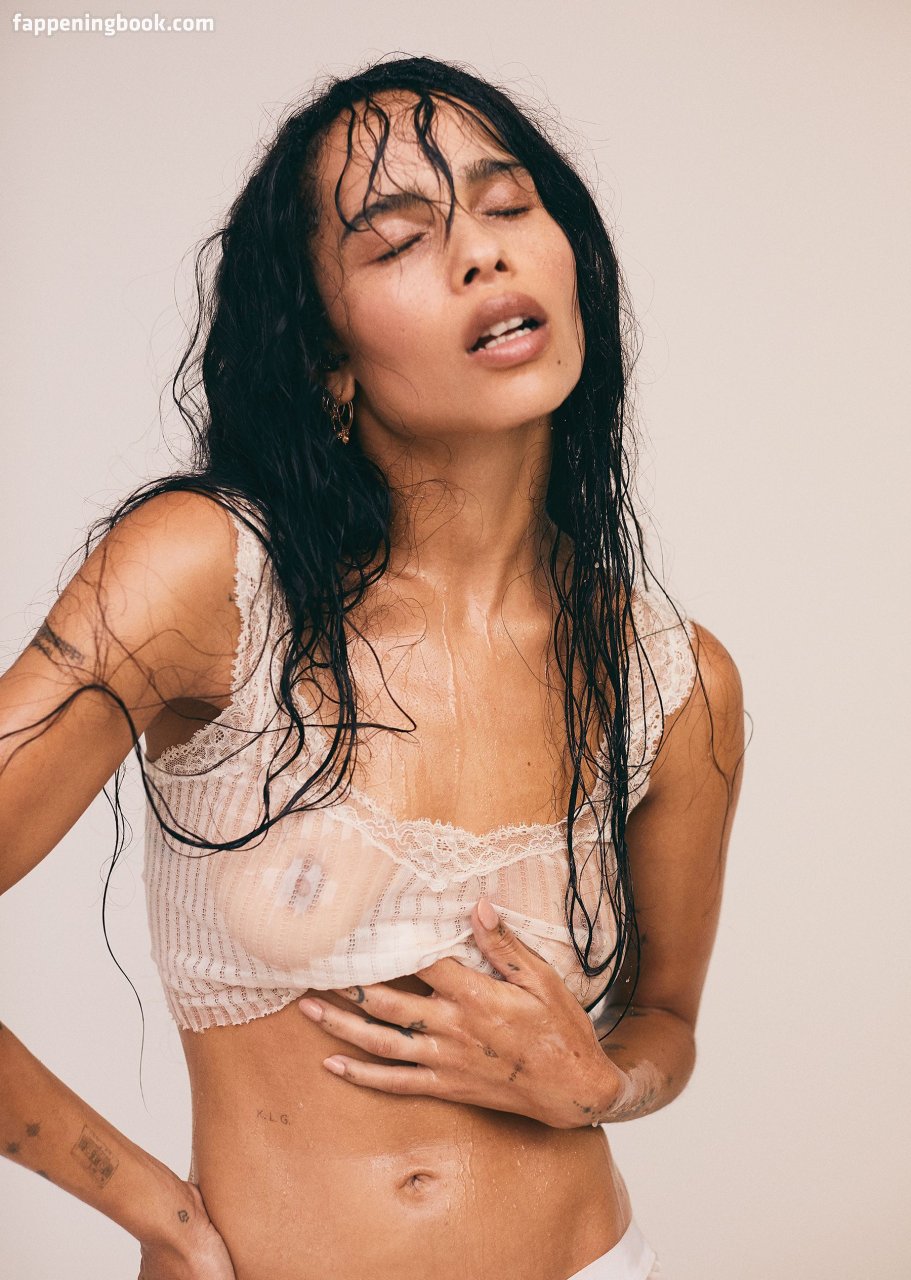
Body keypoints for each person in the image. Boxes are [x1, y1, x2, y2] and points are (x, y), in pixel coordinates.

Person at [0, 54, 746, 1280]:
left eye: (507, 205)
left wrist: (601, 1083)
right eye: (399, 239)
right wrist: (154, 1210)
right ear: (324, 359)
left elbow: (664, 1018)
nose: (482, 252)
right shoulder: (208, 581)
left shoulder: (671, 678)